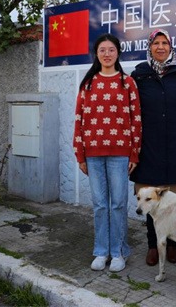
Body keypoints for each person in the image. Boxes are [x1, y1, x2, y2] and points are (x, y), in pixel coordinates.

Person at [73, 33, 142, 272]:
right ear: (96, 54)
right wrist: (80, 154)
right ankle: (101, 251)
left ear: (118, 53)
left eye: (111, 49)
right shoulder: (88, 83)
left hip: (120, 152)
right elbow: (79, 120)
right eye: (102, 50)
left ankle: (119, 252)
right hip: (93, 152)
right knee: (101, 204)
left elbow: (136, 120)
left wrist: (134, 152)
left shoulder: (127, 82)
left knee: (119, 204)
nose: (107, 54)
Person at [130, 28, 176, 266]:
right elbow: (130, 111)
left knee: (174, 202)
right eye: (156, 43)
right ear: (149, 47)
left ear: (171, 46)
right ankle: (153, 245)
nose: (160, 47)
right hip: (149, 149)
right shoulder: (139, 75)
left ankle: (172, 244)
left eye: (164, 43)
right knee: (150, 201)